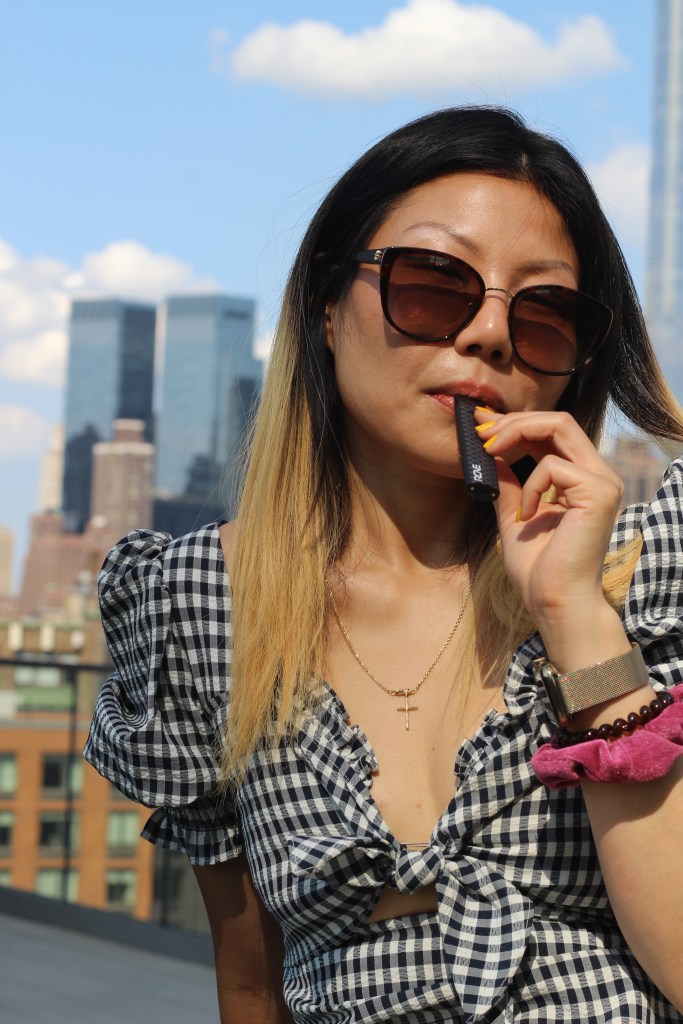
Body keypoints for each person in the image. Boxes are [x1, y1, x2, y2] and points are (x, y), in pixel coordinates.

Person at [84, 106, 683, 1023]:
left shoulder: (644, 573)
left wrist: (575, 618)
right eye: (434, 284)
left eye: (545, 313)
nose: (488, 334)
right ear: (327, 305)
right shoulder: (199, 602)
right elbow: (251, 985)